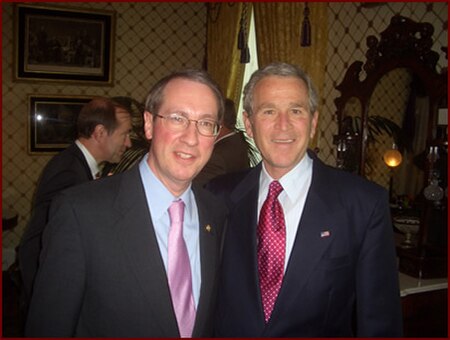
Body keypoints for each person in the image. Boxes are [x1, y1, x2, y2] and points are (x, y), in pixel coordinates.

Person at [24, 69, 228, 337]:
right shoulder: (80, 213)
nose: (191, 138)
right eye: (178, 118)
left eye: (205, 123)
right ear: (148, 124)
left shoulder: (217, 213)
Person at [208, 62, 403, 337]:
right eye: (269, 111)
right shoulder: (217, 196)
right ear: (249, 124)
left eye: (296, 111)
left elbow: (380, 323)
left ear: (313, 123)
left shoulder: (363, 204)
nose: (283, 125)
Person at [18, 97, 132, 308]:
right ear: (99, 132)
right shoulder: (68, 173)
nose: (129, 143)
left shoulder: (77, 164)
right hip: (48, 283)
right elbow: (54, 241)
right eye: (124, 134)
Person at [194, 98, 250, 186]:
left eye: (206, 122)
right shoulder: (237, 143)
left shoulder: (216, 156)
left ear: (219, 122)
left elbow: (198, 192)